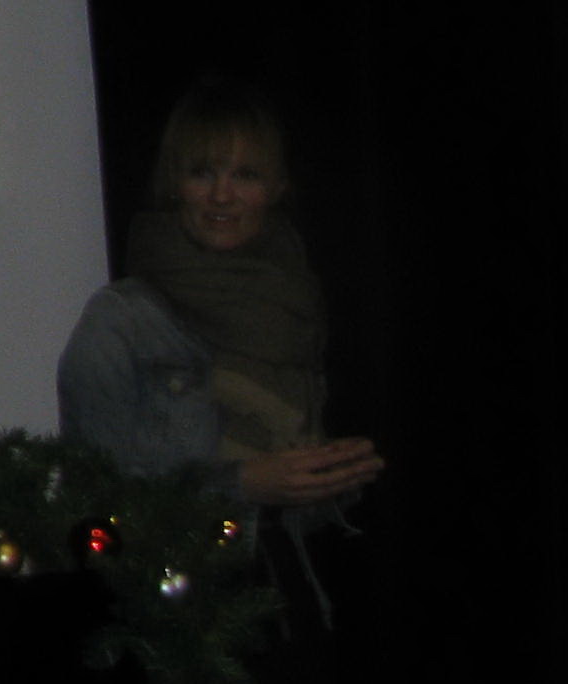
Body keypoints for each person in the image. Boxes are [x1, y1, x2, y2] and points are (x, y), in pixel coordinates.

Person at [56, 78, 383, 531]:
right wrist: (240, 485)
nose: (222, 195)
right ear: (174, 183)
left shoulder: (294, 303)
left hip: (281, 572)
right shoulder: (121, 322)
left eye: (245, 175)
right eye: (202, 173)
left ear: (278, 187)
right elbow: (96, 501)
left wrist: (329, 478)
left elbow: (288, 505)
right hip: (177, 577)